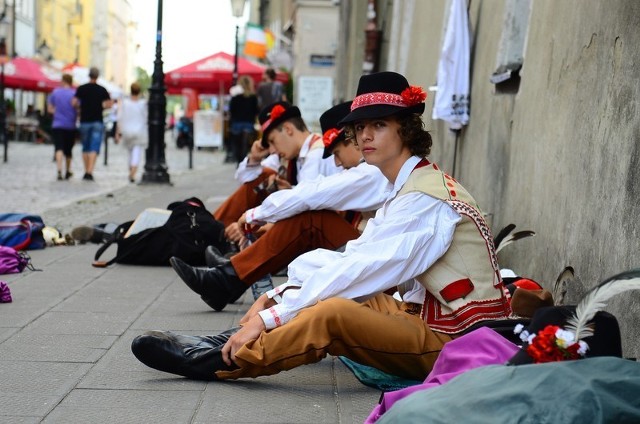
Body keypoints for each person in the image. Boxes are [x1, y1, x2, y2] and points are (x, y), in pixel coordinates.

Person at [131, 71, 511, 382]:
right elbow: (358, 254)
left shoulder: (422, 198)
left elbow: (360, 268)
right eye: (360, 127)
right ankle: (231, 336)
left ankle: (227, 360)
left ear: (406, 130)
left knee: (334, 312)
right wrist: (277, 297)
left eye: (378, 125)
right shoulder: (408, 185)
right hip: (426, 314)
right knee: (346, 293)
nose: (364, 136)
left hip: (460, 338)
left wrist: (271, 314)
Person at [170, 101, 390, 311]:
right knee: (268, 186)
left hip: (378, 264)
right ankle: (229, 270)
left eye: (336, 152)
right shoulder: (375, 169)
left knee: (310, 219)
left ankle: (228, 271)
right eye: (361, 130)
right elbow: (256, 180)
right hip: (371, 253)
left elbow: (312, 194)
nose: (337, 162)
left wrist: (256, 215)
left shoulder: (372, 171)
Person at [213, 101, 339, 233]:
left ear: (288, 130)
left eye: (272, 141)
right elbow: (245, 180)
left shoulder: (316, 153)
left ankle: (213, 233)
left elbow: (304, 202)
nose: (272, 150)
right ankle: (210, 227)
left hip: (317, 227)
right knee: (262, 176)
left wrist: (256, 220)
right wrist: (255, 158)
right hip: (300, 219)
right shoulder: (286, 155)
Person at [72, 67, 112, 181]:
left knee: (85, 147)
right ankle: (90, 171)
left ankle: (86, 170)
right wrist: (101, 107)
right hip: (97, 121)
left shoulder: (82, 88)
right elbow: (109, 104)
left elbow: (74, 102)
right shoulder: (102, 89)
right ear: (97, 76)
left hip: (84, 120)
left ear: (89, 75)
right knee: (94, 147)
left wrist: (80, 108)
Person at [47, 73, 78, 181]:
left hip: (57, 124)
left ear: (63, 81)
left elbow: (50, 109)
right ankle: (68, 170)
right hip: (70, 125)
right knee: (68, 149)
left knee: (58, 147)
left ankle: (59, 170)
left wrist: (58, 112)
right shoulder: (74, 93)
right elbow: (78, 108)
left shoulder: (55, 92)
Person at [116, 82, 148, 183]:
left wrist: (118, 131)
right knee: (136, 153)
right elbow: (147, 117)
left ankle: (131, 171)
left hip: (127, 131)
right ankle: (132, 173)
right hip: (139, 131)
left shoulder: (125, 103)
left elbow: (119, 117)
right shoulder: (143, 104)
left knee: (130, 153)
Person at [228, 75, 260, 164]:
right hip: (248, 122)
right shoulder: (253, 97)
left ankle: (239, 161)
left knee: (237, 144)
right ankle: (243, 161)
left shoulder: (235, 97)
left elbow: (231, 110)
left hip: (237, 122)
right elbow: (256, 110)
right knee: (245, 144)